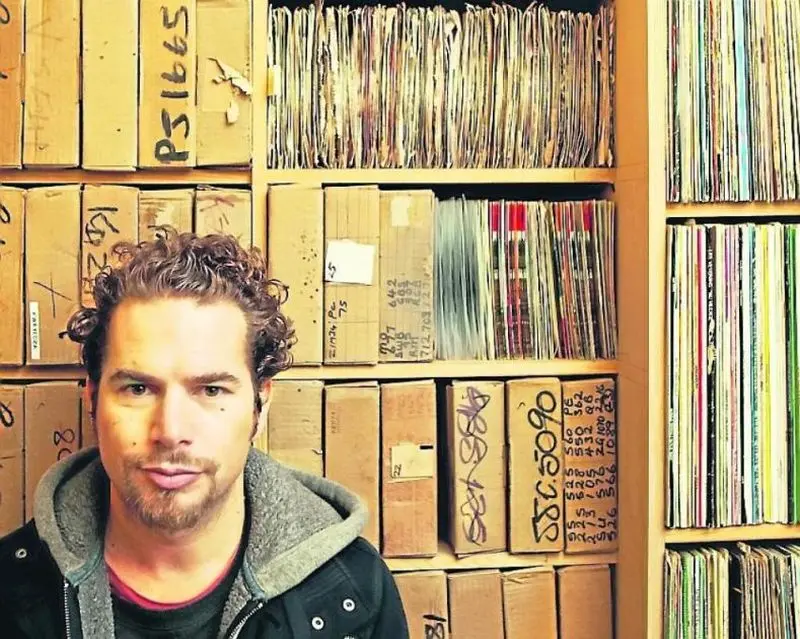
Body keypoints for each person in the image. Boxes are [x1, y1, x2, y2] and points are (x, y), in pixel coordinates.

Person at [0, 231, 409, 638]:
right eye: (138, 389)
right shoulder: (9, 590)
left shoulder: (355, 596)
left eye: (211, 390)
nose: (171, 431)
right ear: (93, 399)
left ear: (260, 405)